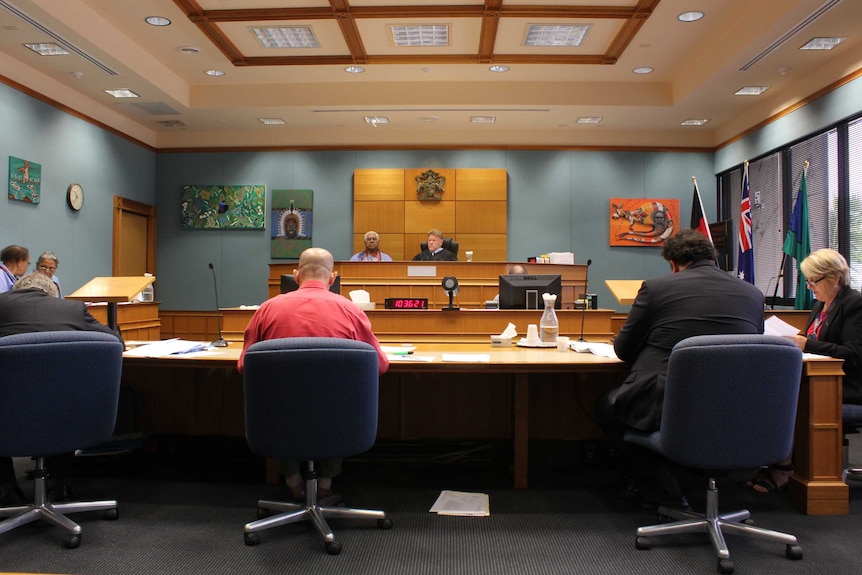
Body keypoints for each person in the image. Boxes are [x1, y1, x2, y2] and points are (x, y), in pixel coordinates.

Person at [595, 229, 764, 510]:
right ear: (713, 257)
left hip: (669, 399)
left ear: (673, 264)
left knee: (608, 406)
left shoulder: (657, 288)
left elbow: (623, 350)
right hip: (736, 403)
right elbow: (753, 345)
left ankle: (665, 493)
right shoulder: (753, 293)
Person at [238, 247, 389, 501]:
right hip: (338, 420)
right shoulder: (351, 311)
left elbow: (245, 366)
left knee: (284, 404)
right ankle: (326, 484)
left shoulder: (266, 310)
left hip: (280, 420)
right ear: (333, 278)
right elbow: (380, 366)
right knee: (334, 400)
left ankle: (293, 481)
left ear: (296, 276)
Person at [744, 248, 862, 494]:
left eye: (813, 280)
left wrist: (807, 344)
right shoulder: (822, 304)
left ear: (835, 277)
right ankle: (775, 461)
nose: (809, 287)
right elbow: (812, 337)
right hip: (815, 379)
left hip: (846, 385)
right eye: (807, 281)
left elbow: (853, 353)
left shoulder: (854, 303)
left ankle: (784, 468)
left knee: (787, 401)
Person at [0, 272, 123, 505]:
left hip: (7, 418)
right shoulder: (72, 310)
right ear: (52, 293)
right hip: (67, 417)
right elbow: (114, 342)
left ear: (16, 291)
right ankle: (60, 486)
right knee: (64, 393)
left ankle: (6, 490)